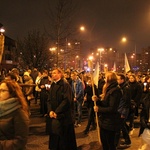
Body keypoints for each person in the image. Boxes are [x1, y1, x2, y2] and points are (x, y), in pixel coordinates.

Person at [47, 68, 77, 150]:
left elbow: (66, 100)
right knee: (55, 136)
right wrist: (50, 111)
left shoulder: (65, 85)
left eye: (55, 73)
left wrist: (57, 111)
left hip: (63, 117)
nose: (53, 74)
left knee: (64, 141)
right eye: (52, 73)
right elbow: (49, 99)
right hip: (54, 115)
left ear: (60, 74)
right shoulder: (53, 84)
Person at [92, 71, 122, 150]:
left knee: (110, 144)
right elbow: (105, 104)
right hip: (105, 121)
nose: (104, 79)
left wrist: (99, 109)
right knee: (104, 143)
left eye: (106, 77)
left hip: (110, 122)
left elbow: (112, 108)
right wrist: (97, 100)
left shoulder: (115, 91)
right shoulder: (109, 89)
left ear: (109, 79)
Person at [0, 79, 29, 150]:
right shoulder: (1, 108)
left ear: (12, 92)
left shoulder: (19, 113)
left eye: (3, 91)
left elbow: (20, 142)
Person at [115, 73, 131, 148]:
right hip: (121, 109)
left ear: (122, 80)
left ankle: (127, 141)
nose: (117, 80)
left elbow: (126, 102)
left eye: (118, 79)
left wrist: (123, 113)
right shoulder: (121, 87)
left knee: (121, 126)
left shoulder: (126, 88)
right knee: (123, 125)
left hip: (123, 110)